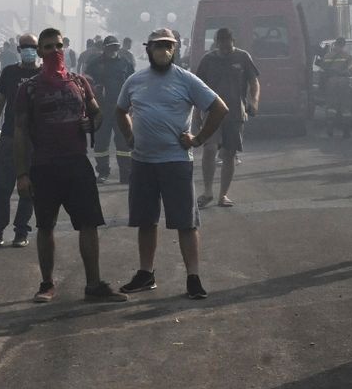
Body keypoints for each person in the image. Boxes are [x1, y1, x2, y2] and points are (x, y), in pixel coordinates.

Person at [12, 26, 126, 304]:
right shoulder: (28, 89)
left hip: (77, 164)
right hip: (44, 166)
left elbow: (97, 113)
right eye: (48, 47)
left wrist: (91, 123)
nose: (54, 51)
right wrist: (22, 173)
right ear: (40, 52)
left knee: (89, 224)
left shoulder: (79, 82)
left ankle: (94, 284)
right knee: (45, 226)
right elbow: (20, 132)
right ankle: (47, 284)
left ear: (65, 48)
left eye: (58, 46)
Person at [115, 28, 227, 299]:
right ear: (148, 49)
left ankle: (193, 277)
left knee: (186, 223)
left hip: (175, 161)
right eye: (158, 45)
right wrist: (130, 135)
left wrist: (198, 139)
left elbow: (219, 108)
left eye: (168, 45)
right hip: (143, 162)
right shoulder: (135, 80)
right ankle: (146, 273)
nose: (163, 50)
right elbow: (120, 110)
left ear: (175, 49)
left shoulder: (186, 79)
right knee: (145, 221)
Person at [0, 33, 40, 247]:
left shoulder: (43, 74)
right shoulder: (9, 72)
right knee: (2, 187)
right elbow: (2, 99)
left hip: (34, 140)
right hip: (9, 136)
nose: (29, 50)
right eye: (25, 47)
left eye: (32, 47)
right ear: (18, 50)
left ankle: (21, 231)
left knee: (29, 188)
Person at [193, 27, 260, 207]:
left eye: (228, 46)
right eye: (222, 46)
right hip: (211, 112)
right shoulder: (208, 60)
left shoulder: (243, 57)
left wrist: (254, 101)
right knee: (209, 149)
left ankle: (223, 195)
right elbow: (198, 87)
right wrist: (196, 113)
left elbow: (254, 81)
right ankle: (208, 192)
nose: (225, 50)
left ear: (232, 42)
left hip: (235, 112)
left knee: (229, 153)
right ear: (217, 44)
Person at [88, 35, 135, 183]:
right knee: (101, 142)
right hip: (101, 110)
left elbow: (133, 84)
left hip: (121, 109)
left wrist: (132, 104)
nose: (113, 49)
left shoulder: (125, 63)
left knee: (123, 142)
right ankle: (103, 172)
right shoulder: (95, 64)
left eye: (116, 46)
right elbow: (86, 83)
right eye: (110, 47)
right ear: (104, 48)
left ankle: (126, 174)